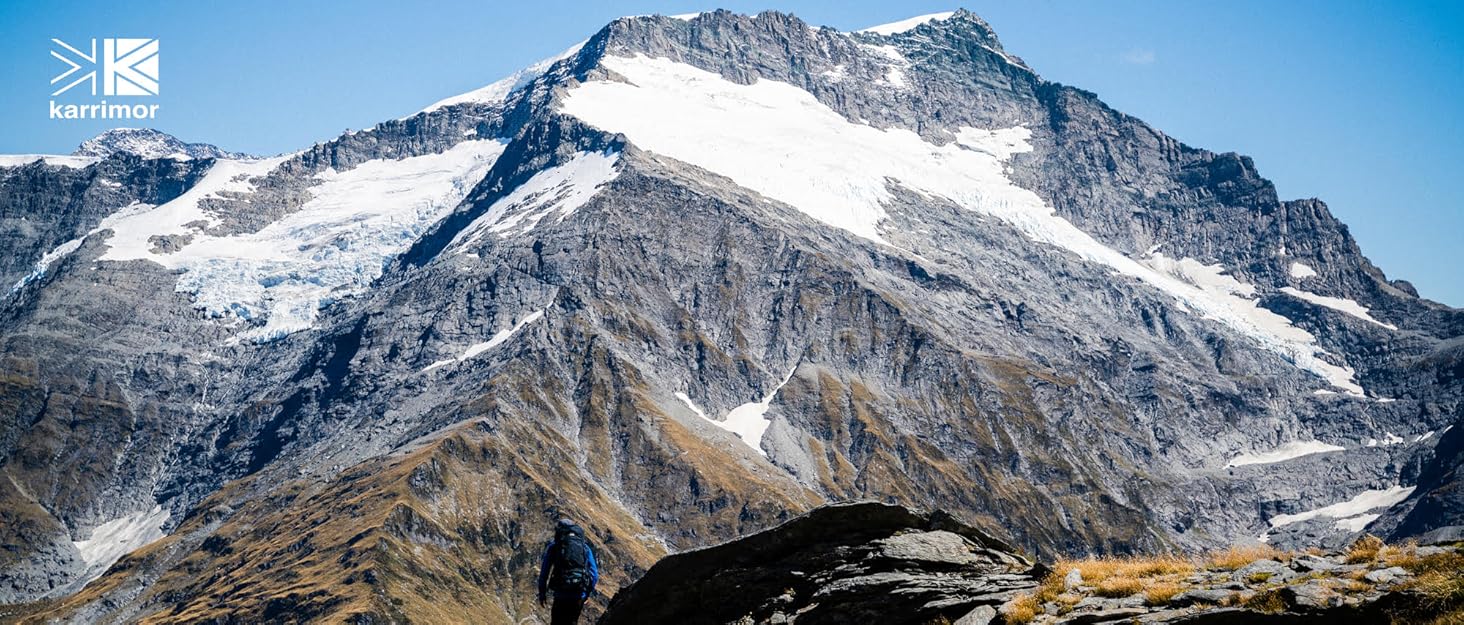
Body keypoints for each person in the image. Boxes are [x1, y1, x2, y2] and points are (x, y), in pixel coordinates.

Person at [537, 517, 599, 625]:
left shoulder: (554, 547)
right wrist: (586, 594)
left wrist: (542, 594)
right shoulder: (584, 547)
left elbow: (544, 573)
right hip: (578, 594)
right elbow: (594, 575)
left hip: (561, 594)